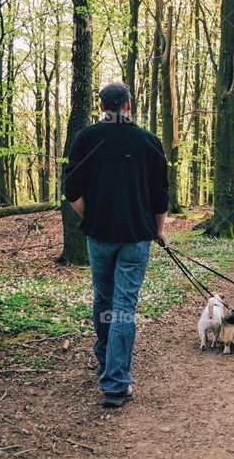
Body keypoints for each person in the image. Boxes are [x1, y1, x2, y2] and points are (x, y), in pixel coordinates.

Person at [62, 82, 169, 408]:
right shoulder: (148, 142)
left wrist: (91, 214)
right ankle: (115, 380)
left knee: (105, 299)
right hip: (136, 236)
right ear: (128, 105)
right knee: (122, 305)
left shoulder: (87, 138)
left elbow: (70, 189)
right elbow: (160, 196)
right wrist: (159, 230)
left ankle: (108, 362)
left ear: (101, 105)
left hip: (101, 235)